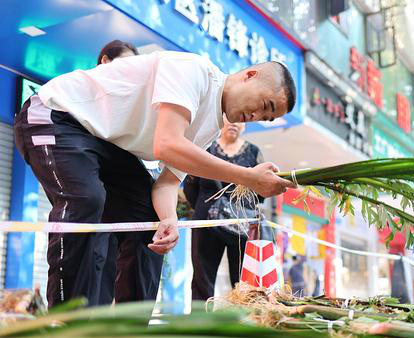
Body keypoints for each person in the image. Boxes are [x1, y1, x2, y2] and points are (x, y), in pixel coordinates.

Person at [14, 50, 296, 308]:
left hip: (103, 144)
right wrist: (248, 177)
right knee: (86, 199)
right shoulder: (196, 72)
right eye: (265, 104)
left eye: (267, 117)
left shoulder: (210, 127)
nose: (257, 115)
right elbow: (167, 144)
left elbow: (168, 183)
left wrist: (169, 219)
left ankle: (132, 327)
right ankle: (66, 320)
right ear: (250, 75)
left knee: (150, 218)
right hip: (55, 115)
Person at [92, 40, 162, 305]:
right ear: (105, 62)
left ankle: (129, 331)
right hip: (98, 197)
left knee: (136, 262)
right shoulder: (86, 98)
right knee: (99, 262)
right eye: (126, 64)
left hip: (128, 200)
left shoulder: (136, 103)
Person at [184, 117, 265, 300]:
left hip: (242, 223)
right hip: (206, 221)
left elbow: (261, 192)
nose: (234, 124)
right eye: (230, 119)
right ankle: (200, 324)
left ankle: (244, 322)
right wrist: (207, 206)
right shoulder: (206, 148)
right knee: (202, 276)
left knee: (244, 279)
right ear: (220, 122)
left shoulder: (254, 152)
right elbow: (191, 187)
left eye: (239, 121)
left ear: (244, 126)